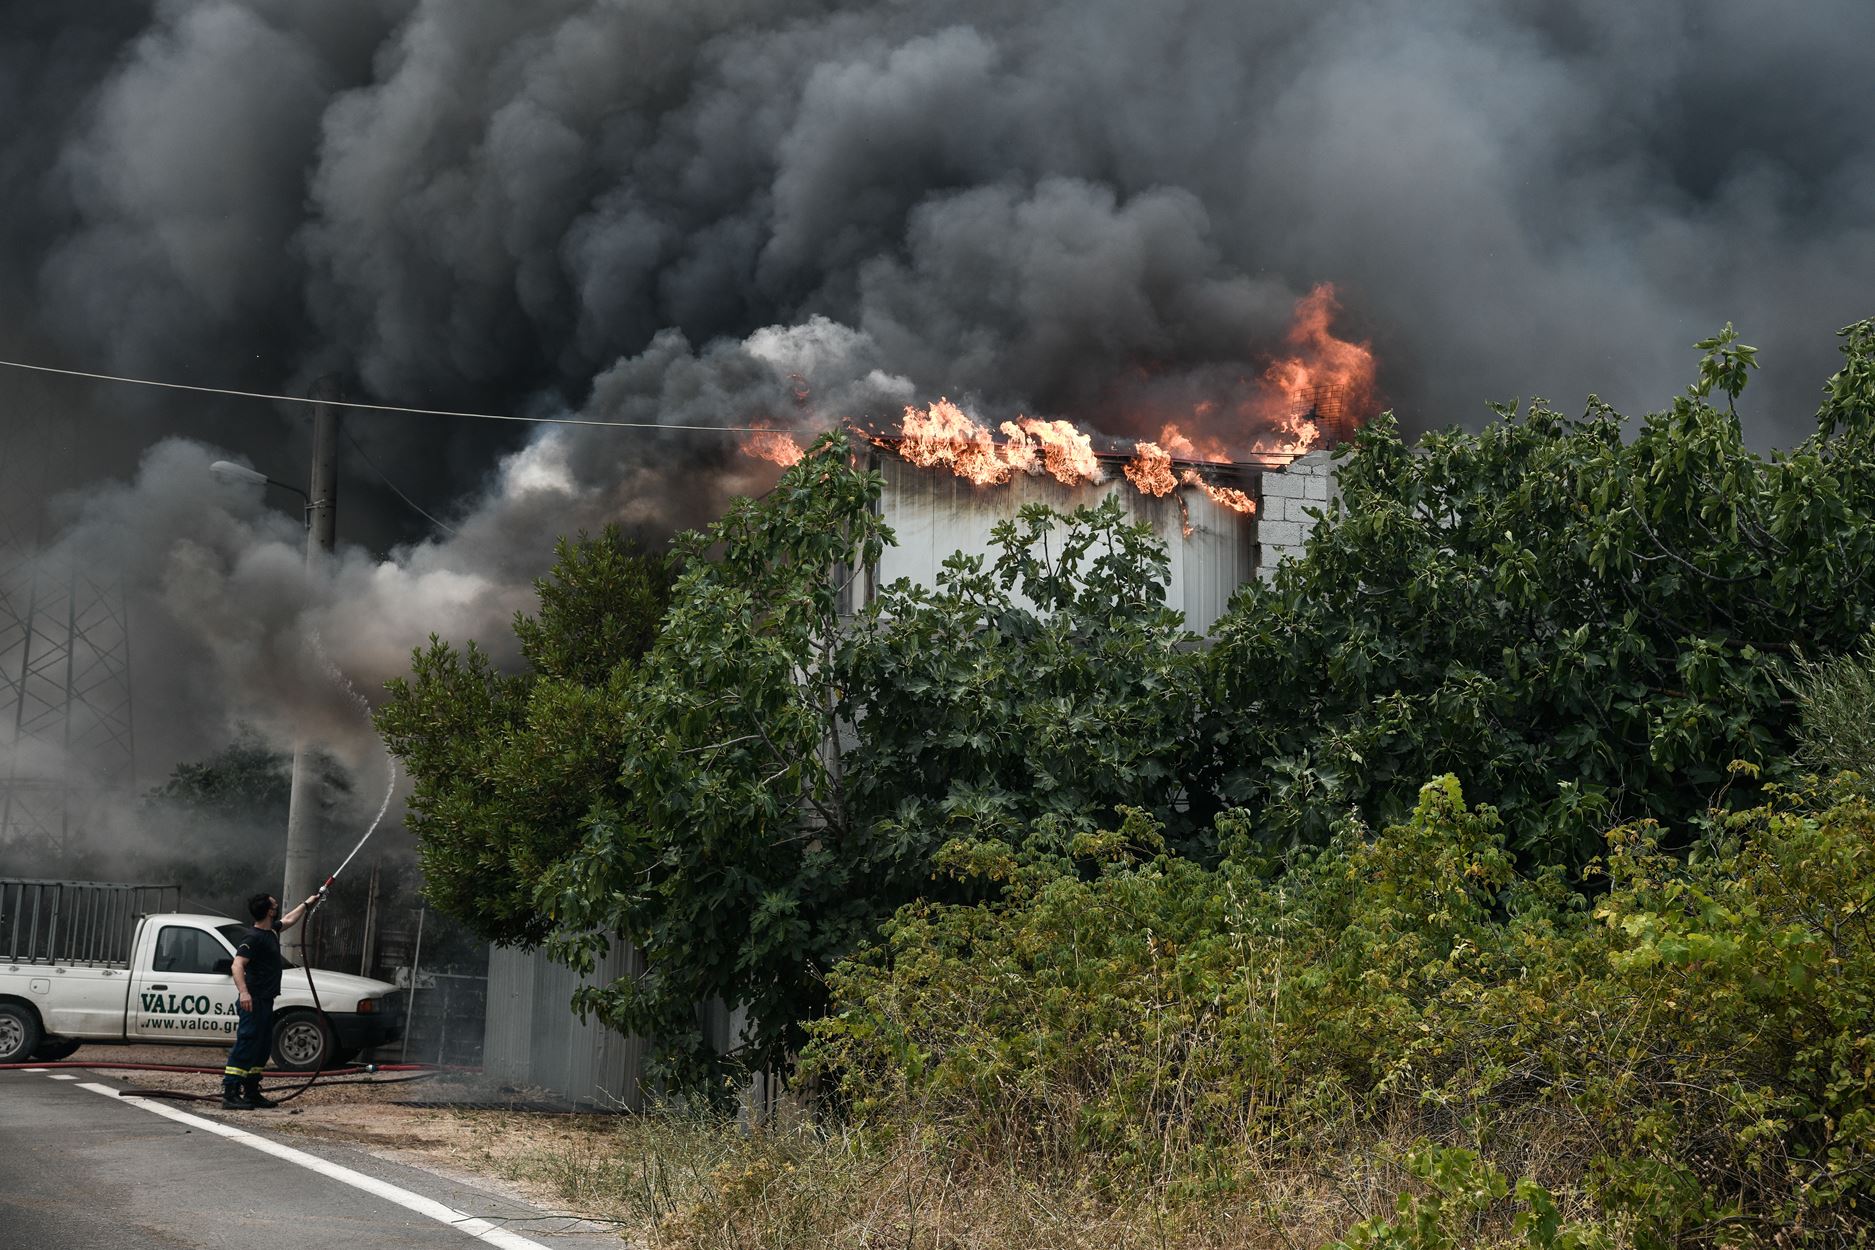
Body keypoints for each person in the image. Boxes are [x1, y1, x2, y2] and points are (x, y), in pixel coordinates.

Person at [222, 890, 319, 1110]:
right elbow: (237, 965)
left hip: (266, 1000)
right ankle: (230, 1093)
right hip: (253, 1000)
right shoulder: (253, 938)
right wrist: (244, 992)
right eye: (274, 905)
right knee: (247, 1044)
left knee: (262, 1046)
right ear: (269, 911)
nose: (277, 908)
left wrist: (307, 903)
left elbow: (290, 920)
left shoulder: (271, 932)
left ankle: (252, 1091)